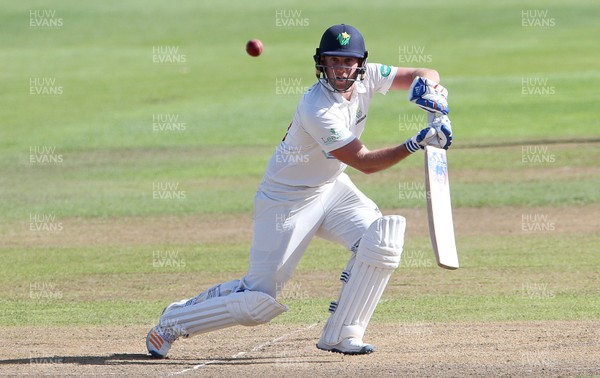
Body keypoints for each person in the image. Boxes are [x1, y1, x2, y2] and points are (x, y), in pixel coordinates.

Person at [146, 23, 452, 358]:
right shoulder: (316, 108)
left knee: (382, 239)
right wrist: (414, 143)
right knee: (256, 303)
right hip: (286, 200)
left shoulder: (369, 76)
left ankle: (342, 333)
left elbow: (423, 71)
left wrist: (430, 88)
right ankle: (173, 321)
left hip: (331, 188)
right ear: (321, 63)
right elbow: (364, 162)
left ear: (360, 64)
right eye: (333, 61)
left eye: (347, 62)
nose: (340, 69)